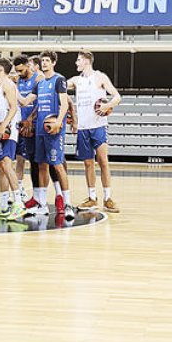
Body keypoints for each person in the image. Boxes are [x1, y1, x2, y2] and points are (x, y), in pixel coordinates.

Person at [68, 51, 122, 212]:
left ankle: (108, 198)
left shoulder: (100, 77)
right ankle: (92, 198)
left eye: (78, 60)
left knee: (103, 162)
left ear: (86, 61)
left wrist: (107, 106)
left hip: (98, 126)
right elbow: (60, 84)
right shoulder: (76, 81)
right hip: (83, 128)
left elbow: (117, 96)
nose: (76, 63)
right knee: (88, 163)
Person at [32, 51, 73, 219]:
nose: (44, 63)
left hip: (54, 130)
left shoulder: (59, 80)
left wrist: (59, 121)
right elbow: (28, 101)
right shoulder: (40, 83)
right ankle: (42, 204)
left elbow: (65, 104)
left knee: (57, 165)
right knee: (41, 165)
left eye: (47, 60)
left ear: (54, 62)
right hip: (40, 130)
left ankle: (68, 203)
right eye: (42, 61)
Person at [0, 58, 22, 219]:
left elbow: (14, 107)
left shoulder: (8, 84)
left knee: (7, 165)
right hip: (0, 129)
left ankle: (19, 203)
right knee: (1, 166)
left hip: (8, 129)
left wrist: (3, 125)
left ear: (0, 68)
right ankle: (2, 205)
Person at [13, 54, 42, 207]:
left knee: (35, 161)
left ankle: (39, 195)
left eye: (21, 70)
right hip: (21, 124)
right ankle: (19, 189)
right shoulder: (18, 80)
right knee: (19, 159)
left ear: (27, 65)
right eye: (16, 71)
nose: (19, 73)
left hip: (34, 124)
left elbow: (40, 101)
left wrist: (31, 117)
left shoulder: (38, 78)